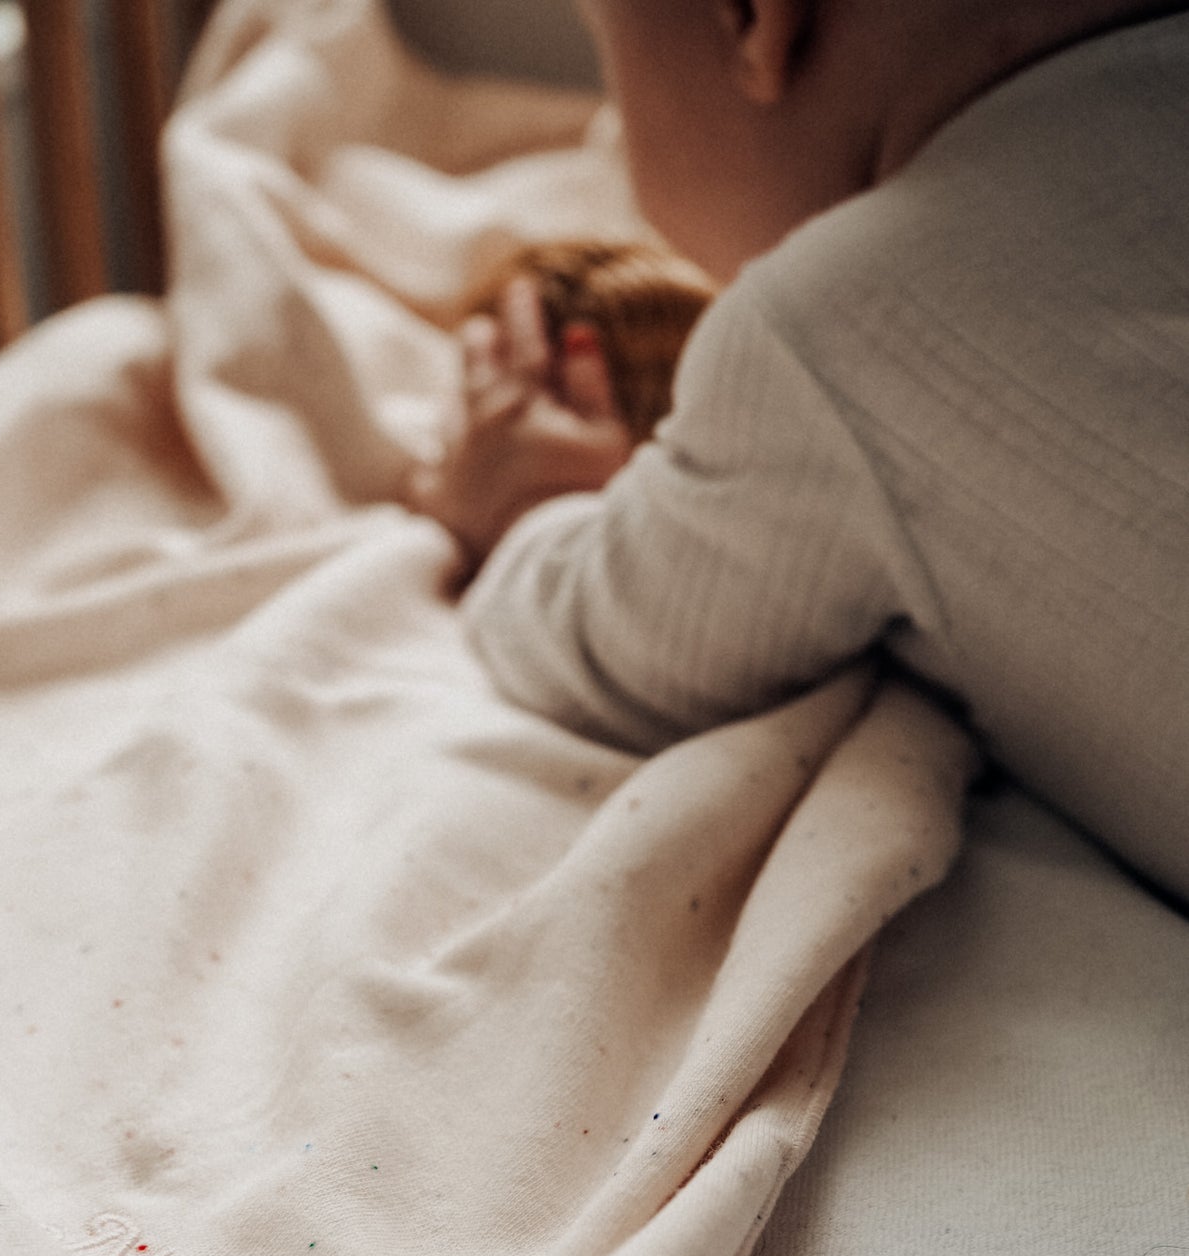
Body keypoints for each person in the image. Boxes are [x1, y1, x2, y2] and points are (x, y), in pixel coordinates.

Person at [410, 0, 1189, 905]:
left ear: (752, 21)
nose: (609, 132)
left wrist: (516, 507)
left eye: (607, 56)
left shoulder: (835, 326)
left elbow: (612, 641)